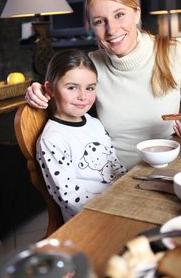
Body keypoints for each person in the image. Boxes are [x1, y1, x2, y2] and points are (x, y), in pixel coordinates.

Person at [27, 0, 181, 171]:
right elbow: (60, 95)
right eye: (99, 21)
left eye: (119, 15)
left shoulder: (175, 52)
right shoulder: (91, 66)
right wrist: (38, 90)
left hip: (166, 165)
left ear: (137, 13)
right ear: (91, 26)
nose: (112, 30)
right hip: (112, 175)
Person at [36, 49, 126, 222]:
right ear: (50, 89)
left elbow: (114, 164)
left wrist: (127, 192)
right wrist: (112, 209)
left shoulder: (94, 123)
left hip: (118, 202)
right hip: (90, 217)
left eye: (90, 88)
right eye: (72, 87)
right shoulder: (52, 139)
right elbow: (69, 197)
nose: (83, 96)